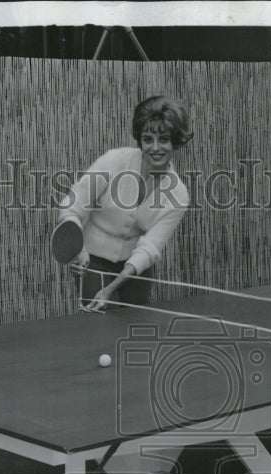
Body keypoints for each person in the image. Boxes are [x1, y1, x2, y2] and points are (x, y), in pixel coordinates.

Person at [58, 95, 192, 312]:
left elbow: (150, 248)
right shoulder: (114, 160)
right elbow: (72, 205)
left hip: (135, 269)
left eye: (164, 139)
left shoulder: (179, 194)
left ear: (176, 141)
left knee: (134, 327)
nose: (155, 148)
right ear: (140, 140)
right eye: (148, 139)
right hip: (93, 261)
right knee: (96, 328)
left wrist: (112, 288)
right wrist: (78, 248)